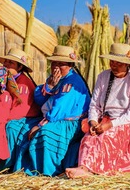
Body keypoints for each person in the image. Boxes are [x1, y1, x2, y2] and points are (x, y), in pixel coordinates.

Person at [65, 43, 130, 178]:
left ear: (127, 64)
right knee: (89, 138)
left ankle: (90, 169)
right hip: (105, 120)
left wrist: (109, 125)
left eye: (118, 63)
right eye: (112, 61)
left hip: (128, 122)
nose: (113, 65)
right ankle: (84, 168)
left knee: (105, 137)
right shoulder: (103, 77)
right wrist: (92, 122)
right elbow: (94, 104)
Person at [11, 45, 91, 176]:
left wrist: (40, 125)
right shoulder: (56, 79)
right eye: (54, 63)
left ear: (70, 65)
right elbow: (38, 99)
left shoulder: (72, 83)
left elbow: (60, 109)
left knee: (45, 133)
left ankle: (48, 172)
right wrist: (50, 86)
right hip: (51, 117)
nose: (56, 67)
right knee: (20, 128)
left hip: (69, 123)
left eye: (61, 64)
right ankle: (20, 168)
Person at [0, 48, 41, 172]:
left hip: (27, 117)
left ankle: (5, 165)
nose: (6, 65)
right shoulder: (2, 80)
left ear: (20, 67)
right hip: (7, 115)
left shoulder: (23, 85)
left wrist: (1, 120)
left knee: (10, 128)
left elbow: (20, 110)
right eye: (6, 62)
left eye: (11, 63)